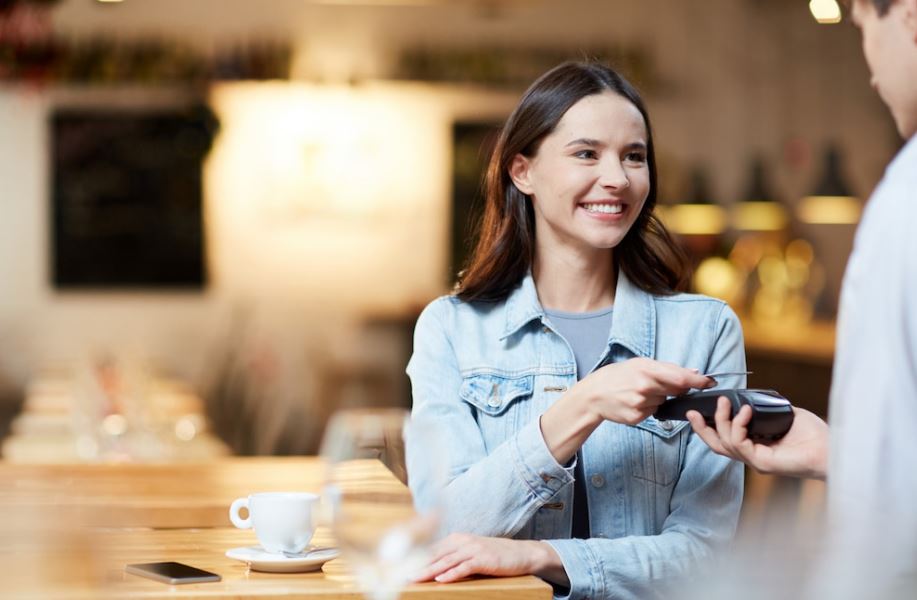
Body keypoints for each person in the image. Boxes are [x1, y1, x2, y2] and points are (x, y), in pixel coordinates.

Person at [405, 61, 746, 600]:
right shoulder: (451, 328)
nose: (617, 177)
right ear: (523, 172)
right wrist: (582, 405)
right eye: (587, 153)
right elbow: (443, 529)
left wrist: (543, 557)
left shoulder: (705, 329)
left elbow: (704, 554)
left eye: (634, 156)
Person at [686, 0, 917, 596]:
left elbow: (883, 532)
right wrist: (841, 454)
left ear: (910, 17)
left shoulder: (905, 203)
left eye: (864, 28)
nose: (868, 68)